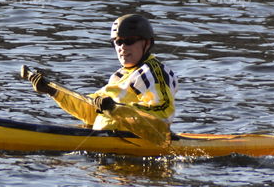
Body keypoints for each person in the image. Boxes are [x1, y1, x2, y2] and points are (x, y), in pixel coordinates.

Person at [24, 14, 178, 143]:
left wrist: (115, 109)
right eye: (118, 42)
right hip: (109, 150)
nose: (122, 47)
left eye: (129, 41)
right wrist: (53, 91)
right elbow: (91, 112)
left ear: (147, 43)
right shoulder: (119, 76)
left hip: (131, 145)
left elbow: (163, 119)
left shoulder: (152, 72)